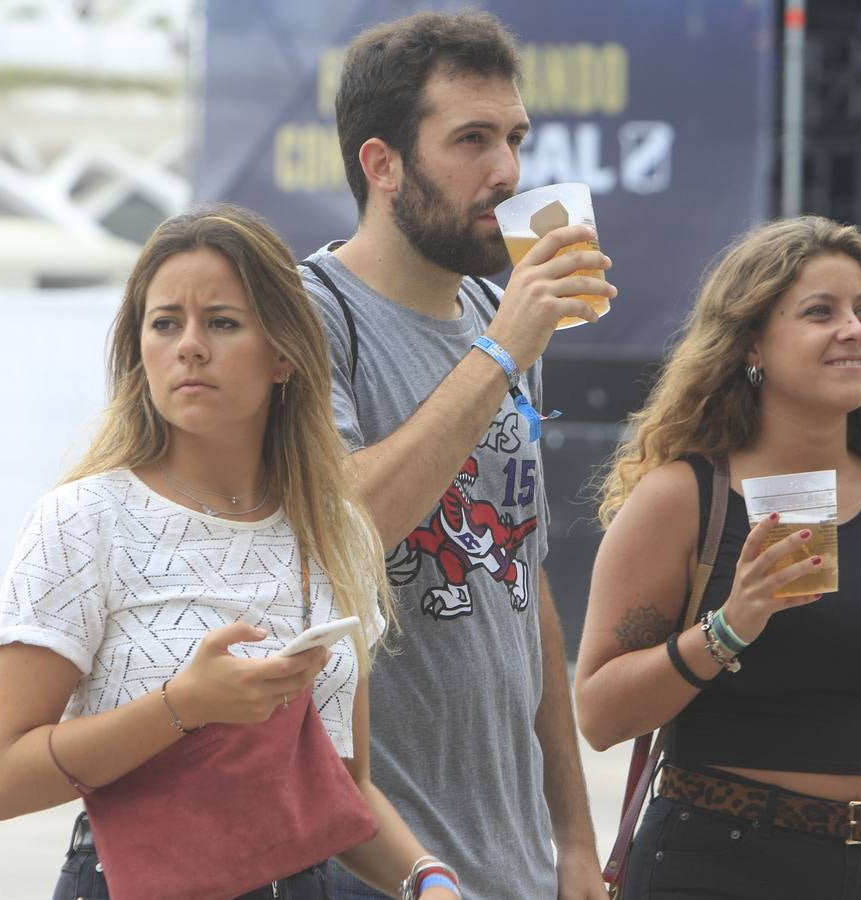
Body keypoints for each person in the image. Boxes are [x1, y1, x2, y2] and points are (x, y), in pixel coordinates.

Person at [0, 204, 460, 900]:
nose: (190, 346)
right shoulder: (83, 520)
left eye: (222, 323)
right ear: (138, 350)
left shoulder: (335, 533)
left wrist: (429, 878)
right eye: (166, 323)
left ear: (284, 354)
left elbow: (343, 794)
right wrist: (182, 705)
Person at [574, 216, 861, 899]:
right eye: (820, 312)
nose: (855, 330)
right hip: (714, 866)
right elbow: (599, 716)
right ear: (753, 344)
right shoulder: (683, 498)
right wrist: (729, 627)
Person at [301, 11, 617, 899]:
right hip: (373, 864)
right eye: (472, 139)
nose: (508, 172)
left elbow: (523, 585)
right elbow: (350, 529)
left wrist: (575, 845)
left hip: (515, 862)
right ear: (383, 163)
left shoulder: (497, 313)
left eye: (515, 138)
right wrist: (503, 353)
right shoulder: (309, 313)